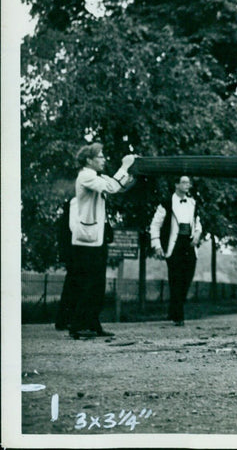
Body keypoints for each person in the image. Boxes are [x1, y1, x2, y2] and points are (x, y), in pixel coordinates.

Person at [69, 143, 136, 340]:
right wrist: (125, 165)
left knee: (97, 284)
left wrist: (132, 171)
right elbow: (113, 187)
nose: (104, 159)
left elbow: (120, 186)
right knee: (89, 284)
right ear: (89, 160)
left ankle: (91, 324)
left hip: (95, 238)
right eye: (100, 156)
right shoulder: (86, 176)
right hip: (86, 240)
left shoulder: (96, 177)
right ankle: (77, 325)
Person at [149, 176, 203, 326]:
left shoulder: (193, 203)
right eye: (184, 182)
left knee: (188, 277)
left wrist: (197, 234)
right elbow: (155, 225)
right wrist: (157, 245)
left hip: (189, 244)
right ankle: (178, 316)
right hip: (174, 244)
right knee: (176, 278)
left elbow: (197, 223)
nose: (187, 185)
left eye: (189, 183)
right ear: (176, 184)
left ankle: (174, 310)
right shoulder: (167, 203)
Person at [54, 196, 78, 331]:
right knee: (72, 286)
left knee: (71, 285)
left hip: (69, 254)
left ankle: (64, 319)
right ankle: (65, 319)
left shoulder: (66, 215)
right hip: (73, 254)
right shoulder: (73, 209)